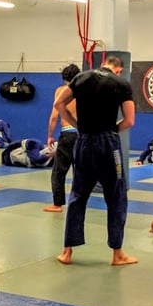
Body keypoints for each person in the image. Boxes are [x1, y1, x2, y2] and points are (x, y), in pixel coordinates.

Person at [54, 54, 138, 266]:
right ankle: (117, 254)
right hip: (109, 144)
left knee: (78, 195)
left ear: (103, 64)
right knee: (116, 196)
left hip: (84, 142)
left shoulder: (81, 78)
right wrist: (111, 131)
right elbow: (129, 120)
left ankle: (67, 252)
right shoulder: (121, 83)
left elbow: (59, 103)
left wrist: (77, 125)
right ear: (119, 69)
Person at [44, 63, 81, 213]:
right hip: (82, 135)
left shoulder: (61, 91)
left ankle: (57, 204)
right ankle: (79, 203)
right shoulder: (85, 91)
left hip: (67, 134)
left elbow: (54, 117)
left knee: (59, 171)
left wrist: (50, 135)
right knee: (80, 171)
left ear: (64, 78)